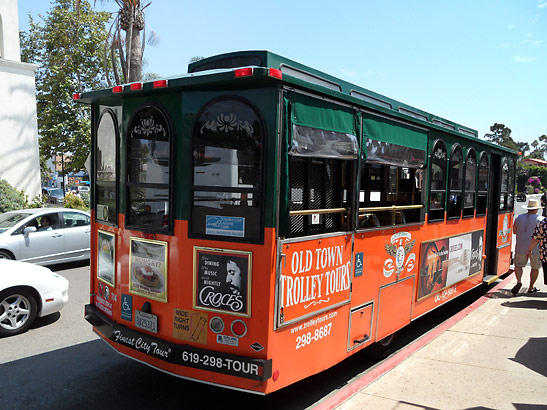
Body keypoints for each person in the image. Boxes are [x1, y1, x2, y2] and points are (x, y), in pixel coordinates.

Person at [512, 198, 543, 294]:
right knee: (535, 267)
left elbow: (514, 231)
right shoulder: (541, 219)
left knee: (518, 265)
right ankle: (531, 287)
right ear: (537, 209)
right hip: (535, 247)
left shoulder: (518, 217)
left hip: (521, 246)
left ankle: (519, 281)